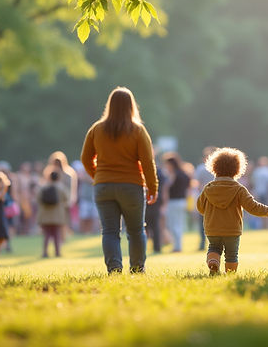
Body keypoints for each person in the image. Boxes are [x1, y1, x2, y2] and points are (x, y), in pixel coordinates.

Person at [81, 87, 158, 273]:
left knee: (109, 231)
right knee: (136, 230)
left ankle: (114, 269)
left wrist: (98, 176)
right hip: (131, 186)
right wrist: (153, 187)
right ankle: (137, 268)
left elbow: (85, 158)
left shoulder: (97, 129)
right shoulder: (137, 130)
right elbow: (147, 162)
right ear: (131, 106)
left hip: (103, 186)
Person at [197, 147, 268, 274]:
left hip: (212, 228)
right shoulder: (239, 189)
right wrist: (266, 211)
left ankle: (213, 262)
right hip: (232, 229)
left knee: (214, 248)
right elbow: (251, 206)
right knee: (231, 254)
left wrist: (210, 214)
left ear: (214, 167)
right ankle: (230, 274)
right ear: (237, 169)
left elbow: (200, 207)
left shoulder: (208, 188)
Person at [37, 170, 69, 258]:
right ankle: (57, 252)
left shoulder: (43, 187)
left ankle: (45, 252)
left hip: (45, 215)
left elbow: (38, 199)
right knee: (56, 234)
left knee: (46, 235)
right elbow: (67, 199)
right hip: (57, 215)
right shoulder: (61, 188)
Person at [164, 152, 191, 252]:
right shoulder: (184, 173)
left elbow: (167, 187)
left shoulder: (174, 174)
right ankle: (178, 246)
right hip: (182, 201)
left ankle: (177, 247)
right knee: (178, 224)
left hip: (173, 202)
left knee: (173, 225)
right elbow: (189, 187)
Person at [193, 147, 216, 250]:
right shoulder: (218, 167)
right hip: (217, 197)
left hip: (204, 197)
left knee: (202, 222)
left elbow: (197, 183)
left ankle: (202, 243)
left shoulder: (201, 168)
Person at [250, 157, 268, 230]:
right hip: (265, 193)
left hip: (260, 192)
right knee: (267, 210)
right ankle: (266, 226)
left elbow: (253, 183)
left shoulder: (257, 171)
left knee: (260, 210)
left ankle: (264, 226)